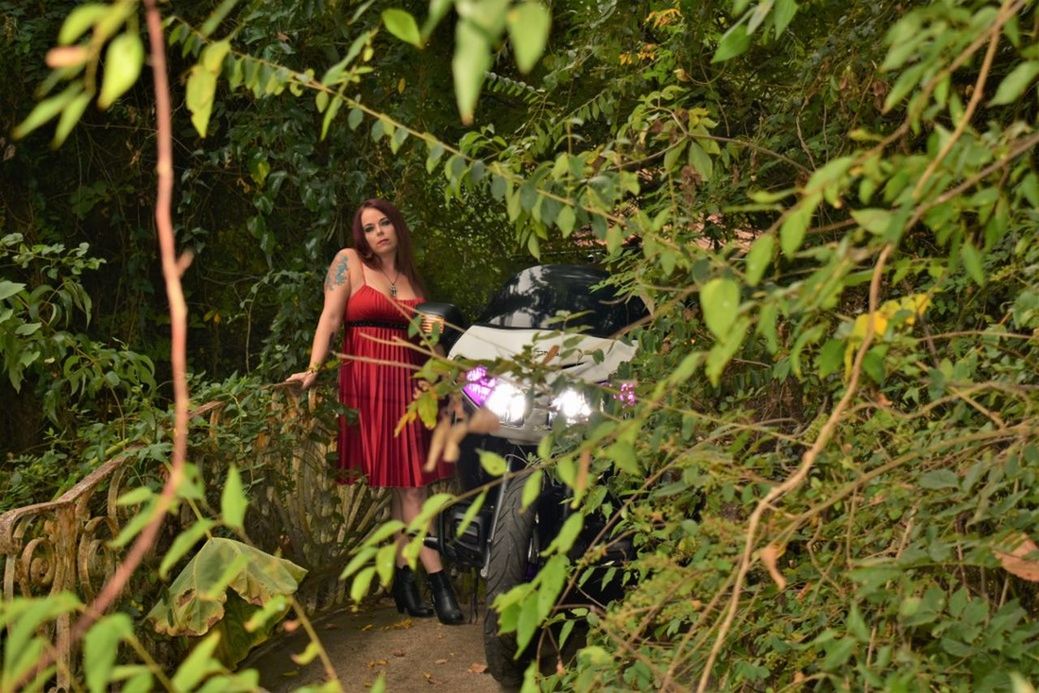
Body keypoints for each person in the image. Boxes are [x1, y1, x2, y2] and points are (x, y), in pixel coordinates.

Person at [286, 198, 463, 625]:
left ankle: (404, 577)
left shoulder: (412, 279)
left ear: (397, 227)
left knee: (409, 488)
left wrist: (453, 389)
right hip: (370, 381)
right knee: (411, 487)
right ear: (359, 236)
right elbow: (329, 318)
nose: (378, 232)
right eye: (369, 227)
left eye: (385, 223)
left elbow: (432, 343)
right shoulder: (348, 262)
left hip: (414, 384)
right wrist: (312, 369)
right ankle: (438, 581)